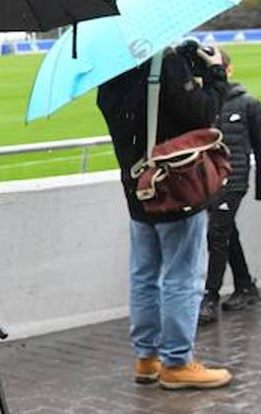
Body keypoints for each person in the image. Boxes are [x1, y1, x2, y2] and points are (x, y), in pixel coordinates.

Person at [96, 44, 232, 390]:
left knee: (143, 275)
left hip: (136, 187)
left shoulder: (109, 70)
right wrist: (215, 73)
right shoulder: (164, 64)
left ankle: (147, 358)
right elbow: (202, 113)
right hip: (174, 189)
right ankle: (177, 362)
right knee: (183, 277)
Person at [198, 49, 261, 325]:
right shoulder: (203, 103)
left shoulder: (248, 104)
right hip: (207, 181)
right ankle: (245, 286)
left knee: (216, 233)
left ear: (229, 69)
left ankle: (210, 296)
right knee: (227, 232)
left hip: (234, 180)